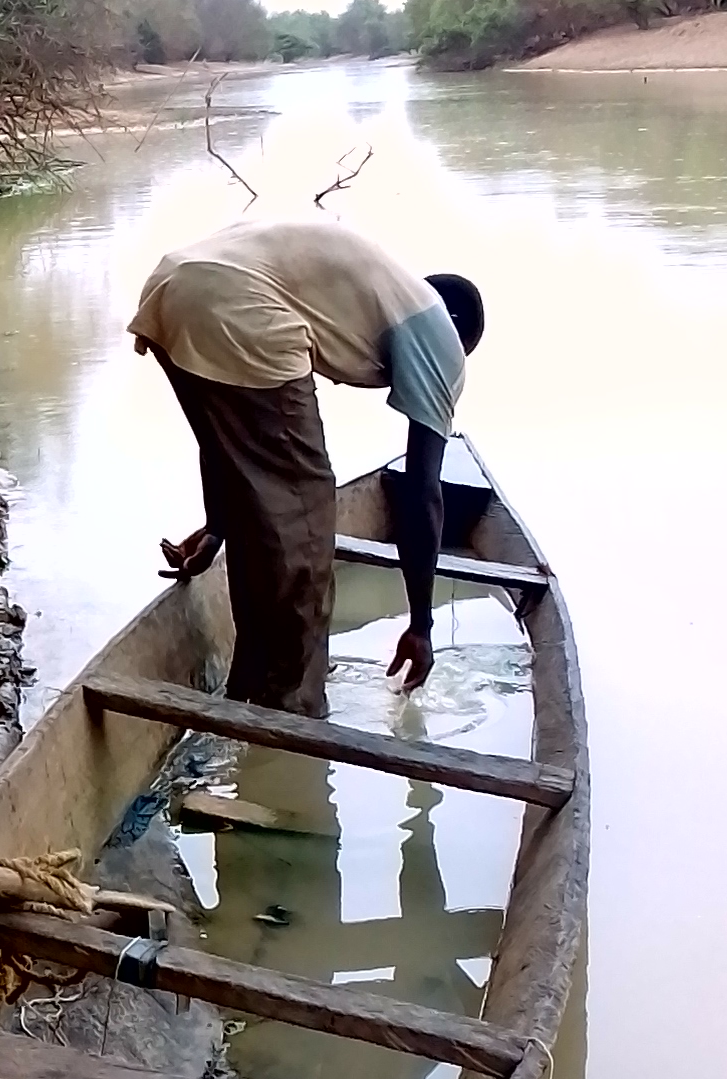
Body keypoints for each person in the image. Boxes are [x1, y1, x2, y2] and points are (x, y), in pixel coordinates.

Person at [129, 218, 484, 710]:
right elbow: (421, 492)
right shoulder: (444, 341)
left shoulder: (381, 291)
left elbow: (229, 442)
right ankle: (291, 708)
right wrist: (421, 626)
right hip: (239, 305)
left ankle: (248, 689)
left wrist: (218, 526)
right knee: (307, 517)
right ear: (462, 340)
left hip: (173, 285)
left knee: (265, 495)